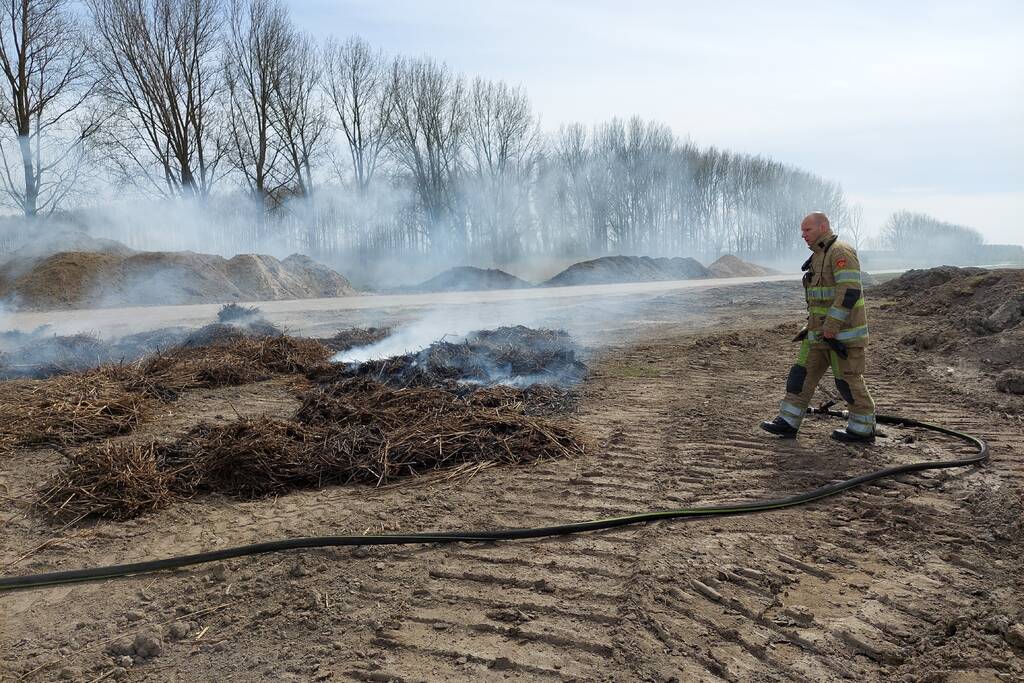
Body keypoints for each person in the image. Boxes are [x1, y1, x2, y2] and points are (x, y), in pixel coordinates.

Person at [760, 212, 876, 443]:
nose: (803, 235)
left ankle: (862, 429)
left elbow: (849, 291)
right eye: (802, 231)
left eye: (808, 230)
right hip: (817, 334)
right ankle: (788, 422)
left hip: (842, 336)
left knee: (848, 381)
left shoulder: (840, 252)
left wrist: (832, 325)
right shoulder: (817, 256)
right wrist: (813, 327)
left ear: (823, 227)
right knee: (800, 376)